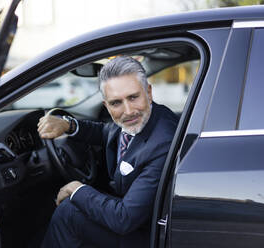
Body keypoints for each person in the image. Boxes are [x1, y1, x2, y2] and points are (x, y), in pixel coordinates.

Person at [37, 55, 178, 247]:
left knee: (68, 212)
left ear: (149, 92)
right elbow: (106, 132)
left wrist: (76, 189)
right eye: (116, 103)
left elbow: (124, 218)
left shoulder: (162, 142)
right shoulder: (136, 120)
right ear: (106, 105)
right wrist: (68, 125)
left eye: (133, 97)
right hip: (133, 215)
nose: (128, 111)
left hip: (148, 234)